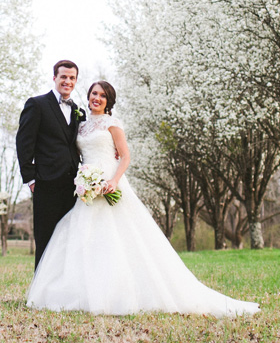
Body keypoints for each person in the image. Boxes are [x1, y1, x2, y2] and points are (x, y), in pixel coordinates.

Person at [26, 80, 260, 317]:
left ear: (109, 101)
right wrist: (84, 180)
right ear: (88, 96)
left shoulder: (113, 124)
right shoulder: (81, 124)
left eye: (102, 95)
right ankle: (79, 292)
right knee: (83, 237)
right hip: (87, 187)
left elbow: (125, 156)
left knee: (120, 238)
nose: (97, 98)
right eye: (94, 93)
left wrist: (113, 181)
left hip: (110, 184)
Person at [16, 60, 85, 270]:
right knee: (45, 239)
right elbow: (24, 142)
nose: (67, 81)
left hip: (72, 186)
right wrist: (31, 178)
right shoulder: (37, 104)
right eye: (63, 76)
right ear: (54, 77)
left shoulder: (78, 111)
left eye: (72, 78)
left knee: (68, 240)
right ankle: (40, 293)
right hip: (45, 183)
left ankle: (62, 292)